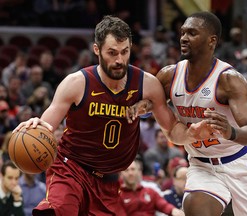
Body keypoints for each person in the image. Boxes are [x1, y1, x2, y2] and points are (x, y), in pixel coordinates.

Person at [13, 15, 215, 216]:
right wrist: (35, 125)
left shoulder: (147, 84)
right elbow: (45, 126)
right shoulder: (76, 83)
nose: (119, 60)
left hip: (109, 182)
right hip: (71, 169)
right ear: (96, 50)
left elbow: (171, 129)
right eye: (112, 53)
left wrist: (191, 134)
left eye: (124, 52)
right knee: (58, 210)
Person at [128, 11, 247, 216]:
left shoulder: (229, 80)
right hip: (202, 165)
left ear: (211, 40)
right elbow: (151, 105)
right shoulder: (169, 75)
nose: (184, 38)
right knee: (196, 211)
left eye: (192, 33)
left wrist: (230, 132)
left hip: (243, 164)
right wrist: (141, 107)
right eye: (183, 32)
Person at [119, 159, 184, 216]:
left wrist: (173, 210)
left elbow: (163, 205)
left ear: (139, 172)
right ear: (121, 174)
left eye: (133, 169)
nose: (130, 173)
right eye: (126, 170)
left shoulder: (150, 191)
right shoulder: (118, 196)